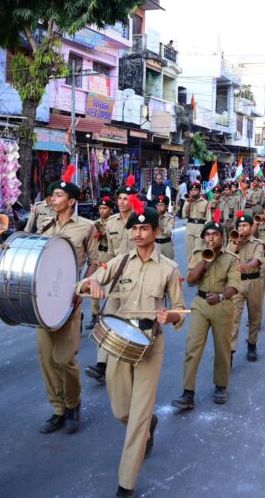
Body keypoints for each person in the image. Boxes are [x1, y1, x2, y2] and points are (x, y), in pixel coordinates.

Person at [78, 195, 185, 498]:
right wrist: (92, 285)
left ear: (155, 231)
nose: (138, 234)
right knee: (120, 409)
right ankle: (148, 423)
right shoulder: (119, 262)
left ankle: (126, 484)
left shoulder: (167, 268)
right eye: (134, 230)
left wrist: (171, 314)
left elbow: (179, 311)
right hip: (118, 342)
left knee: (136, 418)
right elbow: (83, 285)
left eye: (144, 230)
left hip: (150, 343)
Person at [37, 166, 100, 434]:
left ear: (71, 201)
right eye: (52, 194)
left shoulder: (87, 227)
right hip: (42, 300)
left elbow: (95, 263)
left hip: (70, 300)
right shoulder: (43, 224)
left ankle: (73, 404)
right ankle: (58, 409)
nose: (53, 198)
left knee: (65, 359)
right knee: (46, 358)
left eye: (59, 195)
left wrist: (81, 290)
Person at [172, 212, 241, 410]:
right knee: (192, 347)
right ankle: (188, 393)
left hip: (222, 304)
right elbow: (191, 280)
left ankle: (221, 386)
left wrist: (221, 297)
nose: (211, 238)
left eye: (215, 235)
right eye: (207, 234)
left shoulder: (232, 259)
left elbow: (234, 286)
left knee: (222, 348)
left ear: (223, 237)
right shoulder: (196, 255)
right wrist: (205, 260)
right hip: (201, 304)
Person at [85, 176, 137, 383]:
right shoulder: (112, 223)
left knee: (133, 322)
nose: (123, 202)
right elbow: (111, 253)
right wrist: (102, 273)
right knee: (108, 319)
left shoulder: (140, 220)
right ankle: (101, 364)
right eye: (120, 199)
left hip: (136, 278)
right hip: (117, 277)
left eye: (126, 199)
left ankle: (130, 362)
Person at [227, 211, 265, 363]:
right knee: (233, 318)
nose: (241, 229)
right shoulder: (233, 241)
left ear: (251, 227)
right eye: (240, 226)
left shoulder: (258, 243)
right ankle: (230, 351)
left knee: (254, 316)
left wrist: (242, 267)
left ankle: (252, 344)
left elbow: (257, 261)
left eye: (245, 226)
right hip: (236, 284)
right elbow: (227, 255)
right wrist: (237, 241)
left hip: (254, 282)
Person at [87, 195, 115, 330]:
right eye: (100, 208)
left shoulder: (115, 222)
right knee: (94, 285)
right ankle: (95, 314)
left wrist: (106, 234)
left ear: (110, 209)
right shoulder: (96, 223)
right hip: (99, 255)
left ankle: (113, 315)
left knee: (114, 288)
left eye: (105, 208)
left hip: (112, 256)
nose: (102, 211)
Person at [183, 181, 211, 258]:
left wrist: (208, 232)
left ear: (199, 191)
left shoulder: (205, 202)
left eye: (195, 190)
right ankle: (190, 269)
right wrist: (189, 203)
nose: (193, 192)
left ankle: (198, 268)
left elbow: (208, 218)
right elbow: (184, 215)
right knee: (189, 253)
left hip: (200, 228)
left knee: (198, 252)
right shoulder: (187, 201)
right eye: (191, 190)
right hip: (190, 227)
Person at [154, 195, 175, 260]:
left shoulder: (170, 218)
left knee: (169, 266)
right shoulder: (154, 216)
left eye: (161, 205)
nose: (159, 207)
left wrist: (158, 221)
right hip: (156, 244)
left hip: (166, 245)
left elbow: (168, 233)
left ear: (166, 206)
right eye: (158, 205)